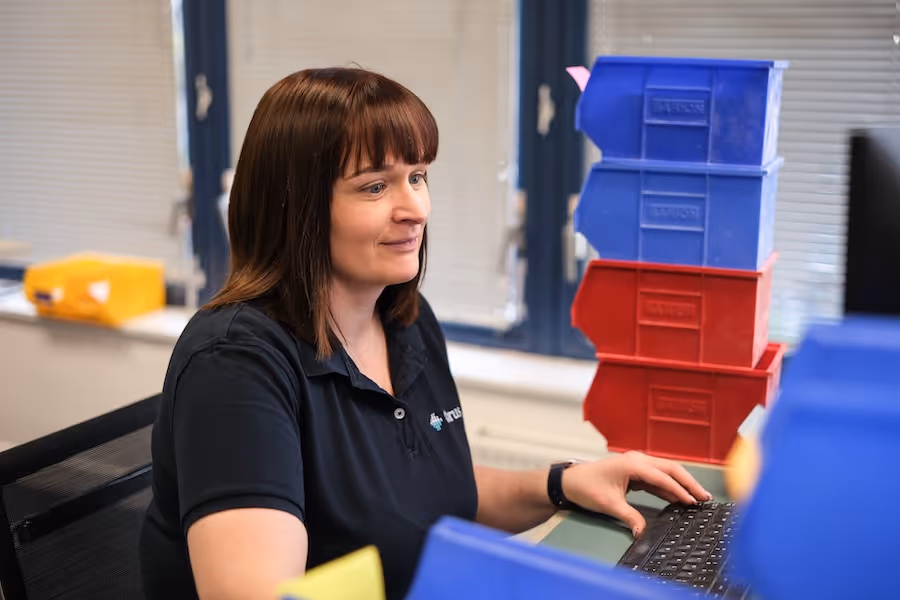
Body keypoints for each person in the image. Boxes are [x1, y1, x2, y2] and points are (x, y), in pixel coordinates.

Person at [138, 67, 711, 600]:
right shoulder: (235, 364)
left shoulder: (404, 320)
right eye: (374, 187)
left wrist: (565, 483)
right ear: (298, 209)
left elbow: (432, 494)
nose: (415, 207)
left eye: (417, 176)